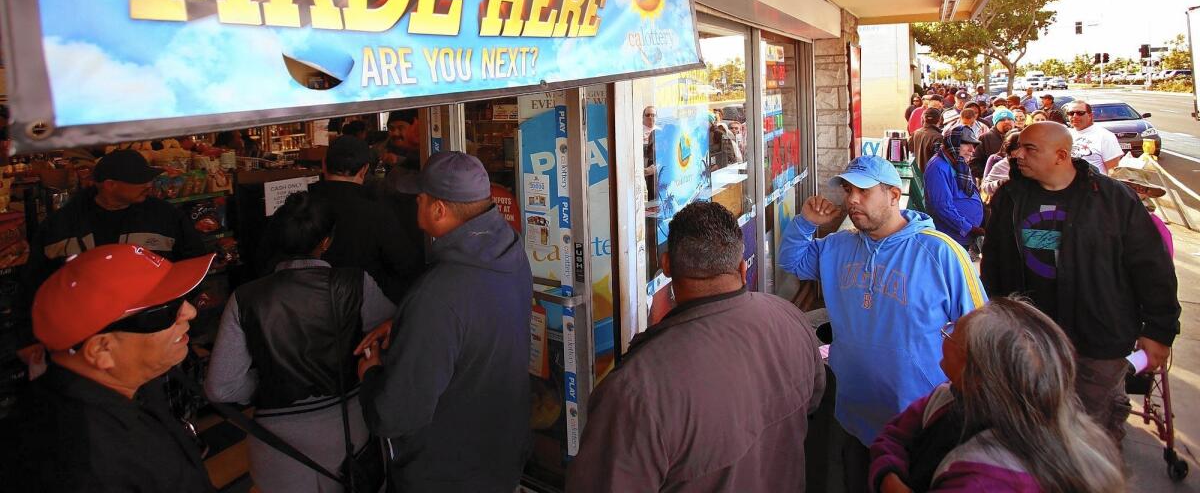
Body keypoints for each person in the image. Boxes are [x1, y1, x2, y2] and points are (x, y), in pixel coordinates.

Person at [567, 202, 825, 492]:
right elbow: (813, 400)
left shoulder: (636, 390)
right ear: (741, 268)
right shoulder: (789, 317)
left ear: (666, 266)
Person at [778, 156, 985, 493]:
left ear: (893, 194)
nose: (852, 200)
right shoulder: (838, 246)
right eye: (848, 190)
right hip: (854, 414)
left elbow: (981, 330)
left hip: (920, 419)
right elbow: (792, 260)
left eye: (863, 190)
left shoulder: (941, 252)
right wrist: (805, 222)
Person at [981, 122, 1180, 444]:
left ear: (1061, 156)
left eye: (1030, 149)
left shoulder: (1113, 199)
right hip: (1030, 339)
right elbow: (994, 264)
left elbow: (1152, 268)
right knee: (1032, 429)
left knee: (1091, 436)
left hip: (1098, 340)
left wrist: (1159, 330)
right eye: (1018, 147)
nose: (1017, 155)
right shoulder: (1011, 197)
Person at [355, 152, 532, 492]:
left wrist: (372, 373)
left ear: (438, 210)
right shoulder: (508, 250)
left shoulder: (437, 295)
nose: (414, 204)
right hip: (501, 453)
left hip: (448, 473)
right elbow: (480, 316)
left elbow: (396, 415)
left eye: (419, 198)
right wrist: (408, 324)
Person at [205, 193, 394, 492]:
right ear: (326, 242)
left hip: (278, 443)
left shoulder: (245, 298)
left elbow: (220, 387)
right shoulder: (354, 283)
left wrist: (267, 380)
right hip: (349, 428)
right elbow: (390, 335)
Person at [869, 297, 1124, 493]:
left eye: (953, 332)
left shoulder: (993, 478)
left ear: (978, 371)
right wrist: (888, 475)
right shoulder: (949, 395)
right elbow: (894, 435)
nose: (945, 334)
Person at [20, 244, 216, 491]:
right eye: (165, 311)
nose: (189, 312)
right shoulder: (86, 463)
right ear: (102, 350)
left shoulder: (127, 384)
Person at [26, 148, 208, 290]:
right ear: (110, 185)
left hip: (149, 325)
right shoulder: (60, 225)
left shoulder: (165, 216)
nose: (148, 184)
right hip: (88, 328)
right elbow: (36, 282)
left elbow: (194, 262)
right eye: (138, 180)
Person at [304, 136, 425, 304]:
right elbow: (408, 267)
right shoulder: (377, 214)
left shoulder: (298, 208)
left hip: (302, 311)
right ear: (364, 170)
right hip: (366, 316)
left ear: (324, 164)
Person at [923, 126, 984, 252]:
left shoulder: (957, 163)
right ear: (954, 144)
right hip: (951, 238)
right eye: (966, 144)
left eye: (974, 145)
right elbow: (942, 207)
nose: (972, 150)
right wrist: (969, 228)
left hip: (961, 237)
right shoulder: (938, 167)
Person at [1110, 166, 1174, 258]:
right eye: (1128, 187)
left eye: (1140, 189)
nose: (1132, 192)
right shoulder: (1099, 213)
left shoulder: (1154, 223)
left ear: (1145, 194)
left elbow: (1166, 258)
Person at [1065, 101, 1122, 174]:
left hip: (1094, 184)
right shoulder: (1066, 134)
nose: (1075, 116)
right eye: (1071, 113)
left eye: (1080, 113)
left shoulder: (1105, 136)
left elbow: (1113, 172)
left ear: (1090, 115)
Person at [981, 128, 1022, 200]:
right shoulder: (1001, 165)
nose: (1021, 154)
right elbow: (985, 187)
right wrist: (1000, 182)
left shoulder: (1038, 164)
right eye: (1017, 148)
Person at [973, 108, 1014, 179]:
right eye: (1002, 120)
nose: (1007, 121)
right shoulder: (985, 138)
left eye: (1010, 119)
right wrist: (988, 176)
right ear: (995, 123)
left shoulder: (1020, 136)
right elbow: (974, 163)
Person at [909, 107, 944, 173]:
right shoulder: (938, 137)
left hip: (918, 175)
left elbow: (910, 150)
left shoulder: (916, 133)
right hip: (932, 176)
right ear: (939, 120)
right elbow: (939, 161)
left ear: (922, 119)